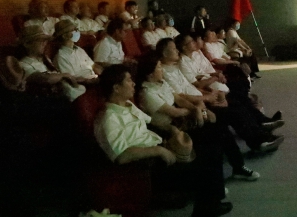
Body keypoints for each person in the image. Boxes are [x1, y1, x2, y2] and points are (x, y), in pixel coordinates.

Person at [94, 65, 232, 217]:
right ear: (116, 88)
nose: (133, 83)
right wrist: (159, 151)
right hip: (147, 164)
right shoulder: (109, 118)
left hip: (159, 145)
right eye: (128, 81)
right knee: (204, 168)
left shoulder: (128, 105)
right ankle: (205, 208)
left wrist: (171, 129)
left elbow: (150, 121)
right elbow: (121, 155)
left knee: (211, 150)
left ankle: (212, 201)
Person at [138, 56, 261, 182]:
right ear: (150, 74)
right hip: (173, 129)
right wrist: (196, 110)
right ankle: (215, 182)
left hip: (185, 120)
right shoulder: (148, 94)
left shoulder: (161, 83)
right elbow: (174, 112)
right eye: (159, 67)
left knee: (222, 129)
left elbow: (179, 99)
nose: (162, 70)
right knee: (214, 139)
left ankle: (238, 167)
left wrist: (197, 109)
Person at [18, 25, 86, 101]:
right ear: (27, 44)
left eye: (45, 41)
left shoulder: (45, 60)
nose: (44, 43)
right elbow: (44, 78)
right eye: (40, 41)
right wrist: (63, 76)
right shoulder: (23, 64)